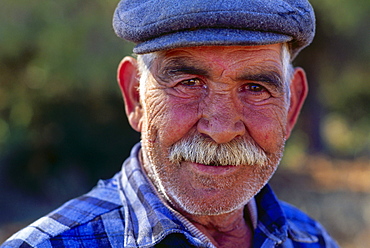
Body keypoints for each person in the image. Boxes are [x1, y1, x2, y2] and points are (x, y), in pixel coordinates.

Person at [1, 0, 339, 247]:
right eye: (189, 83)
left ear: (292, 105)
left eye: (255, 88)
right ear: (135, 97)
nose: (220, 130)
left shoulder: (311, 240)